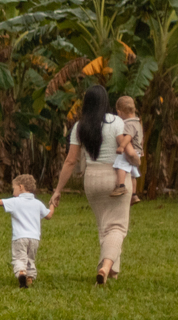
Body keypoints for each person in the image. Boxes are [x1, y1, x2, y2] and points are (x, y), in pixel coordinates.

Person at [49, 84, 134, 284]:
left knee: (105, 226)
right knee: (117, 227)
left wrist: (58, 190)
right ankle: (105, 267)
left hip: (92, 178)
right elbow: (127, 149)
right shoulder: (116, 121)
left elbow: (70, 161)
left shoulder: (80, 127)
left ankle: (112, 271)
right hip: (115, 176)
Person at [0, 174, 52, 288]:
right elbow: (49, 215)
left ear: (21, 187)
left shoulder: (16, 201)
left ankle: (21, 273)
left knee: (19, 258)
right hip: (35, 238)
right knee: (30, 259)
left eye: (14, 188)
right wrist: (53, 204)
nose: (13, 191)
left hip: (19, 237)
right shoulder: (38, 203)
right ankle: (30, 278)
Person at [111, 95, 142, 201]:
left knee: (120, 165)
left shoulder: (129, 124)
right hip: (137, 151)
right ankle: (134, 194)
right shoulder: (137, 122)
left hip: (131, 150)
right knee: (133, 174)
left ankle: (120, 186)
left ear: (119, 112)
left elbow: (128, 137)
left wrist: (121, 146)